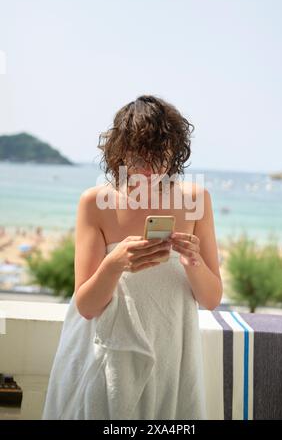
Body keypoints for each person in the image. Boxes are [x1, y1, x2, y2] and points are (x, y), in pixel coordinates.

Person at [42, 94, 223, 420]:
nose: (150, 168)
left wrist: (193, 261)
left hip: (171, 353)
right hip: (105, 356)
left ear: (175, 152)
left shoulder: (197, 199)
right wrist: (114, 264)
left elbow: (211, 299)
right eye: (140, 157)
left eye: (159, 155)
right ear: (120, 152)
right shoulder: (95, 203)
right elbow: (86, 306)